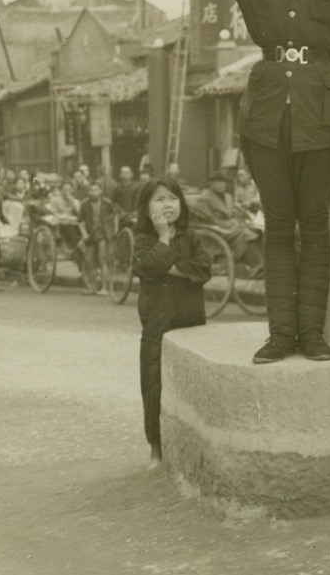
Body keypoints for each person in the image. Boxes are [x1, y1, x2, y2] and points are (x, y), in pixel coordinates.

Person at [84, 0, 330, 364]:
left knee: (314, 225)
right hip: (266, 115)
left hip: (321, 113)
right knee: (277, 226)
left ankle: (311, 334)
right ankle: (281, 333)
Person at [132, 177, 211, 468]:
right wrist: (163, 237)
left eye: (173, 198)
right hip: (158, 323)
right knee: (155, 383)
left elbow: (203, 269)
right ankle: (156, 447)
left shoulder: (192, 238)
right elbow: (148, 266)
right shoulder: (143, 241)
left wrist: (168, 267)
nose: (168, 204)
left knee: (193, 383)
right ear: (146, 208)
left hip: (191, 320)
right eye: (159, 199)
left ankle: (194, 446)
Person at [189, 170, 260, 271]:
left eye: (223, 182)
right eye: (217, 182)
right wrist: (224, 223)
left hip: (228, 230)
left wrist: (234, 220)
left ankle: (258, 266)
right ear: (211, 183)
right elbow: (208, 219)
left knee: (257, 232)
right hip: (216, 231)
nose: (220, 185)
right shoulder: (204, 198)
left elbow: (232, 213)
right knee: (244, 235)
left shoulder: (228, 197)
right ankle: (256, 267)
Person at [78, 180, 116, 295]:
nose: (94, 192)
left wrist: (114, 230)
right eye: (91, 190)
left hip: (103, 234)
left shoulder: (107, 203)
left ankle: (104, 288)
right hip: (90, 235)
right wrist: (84, 233)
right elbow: (80, 222)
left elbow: (114, 216)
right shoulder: (84, 204)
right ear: (88, 191)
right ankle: (92, 287)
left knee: (102, 260)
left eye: (96, 190)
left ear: (100, 191)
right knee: (89, 261)